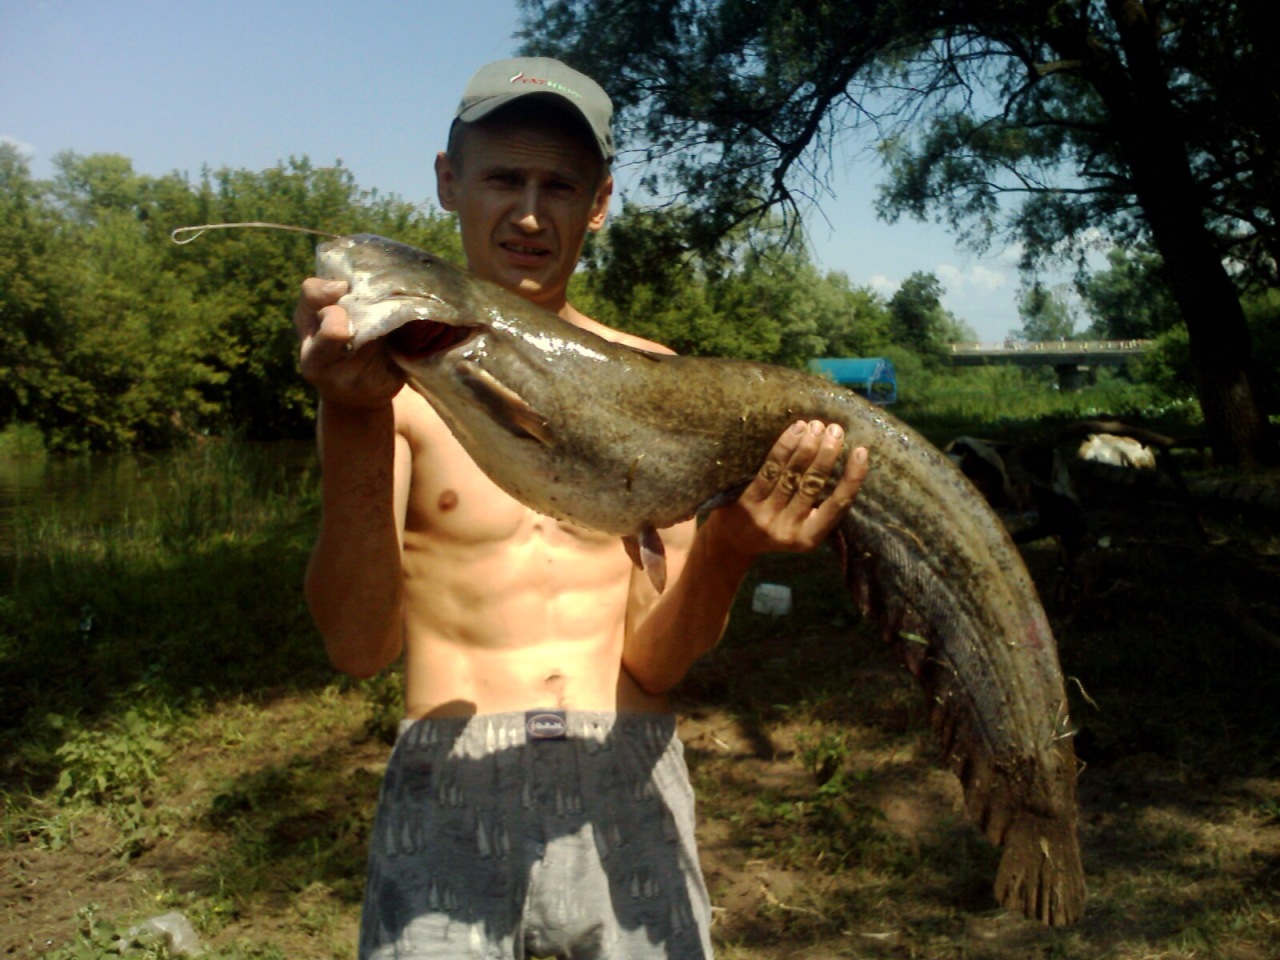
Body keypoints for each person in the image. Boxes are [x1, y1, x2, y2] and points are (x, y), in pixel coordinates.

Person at [293, 57, 869, 960]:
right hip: (452, 788)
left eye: (558, 186)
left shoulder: (657, 382)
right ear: (449, 182)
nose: (529, 213)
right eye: (502, 179)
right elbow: (357, 646)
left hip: (626, 779)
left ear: (598, 202)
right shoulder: (385, 391)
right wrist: (351, 415)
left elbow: (657, 659)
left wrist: (728, 548)